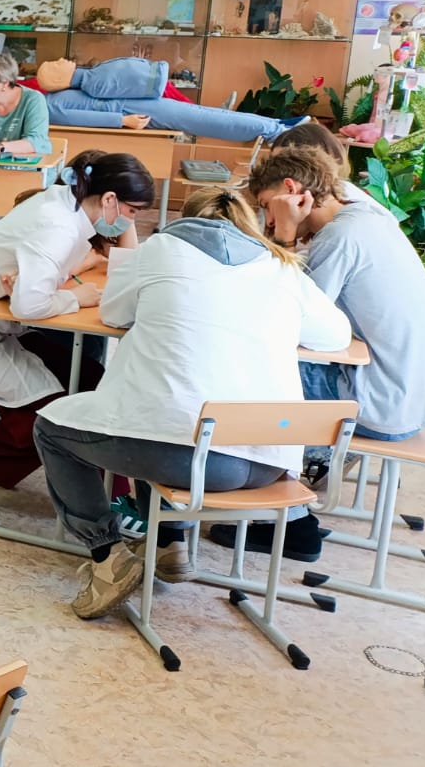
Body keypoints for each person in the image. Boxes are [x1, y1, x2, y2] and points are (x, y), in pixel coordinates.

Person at [34, 186, 351, 618]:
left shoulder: (160, 249)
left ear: (186, 218)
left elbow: (113, 313)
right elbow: (335, 334)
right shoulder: (280, 266)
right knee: (158, 409)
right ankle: (171, 543)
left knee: (60, 427)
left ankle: (107, 557)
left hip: (188, 458)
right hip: (270, 462)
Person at [215, 145, 425, 561]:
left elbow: (287, 319)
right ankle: (287, 493)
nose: (266, 220)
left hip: (383, 403)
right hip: (415, 398)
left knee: (249, 365)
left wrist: (284, 235)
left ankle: (289, 521)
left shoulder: (339, 238)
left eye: (266, 207)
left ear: (291, 190)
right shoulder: (367, 217)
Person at [0, 150, 155, 507]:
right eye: (132, 212)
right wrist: (74, 298)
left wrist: (41, 285)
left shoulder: (64, 205)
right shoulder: (57, 224)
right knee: (64, 414)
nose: (131, 221)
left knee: (93, 380)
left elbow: (39, 279)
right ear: (109, 199)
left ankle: (109, 490)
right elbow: (29, 306)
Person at [30, 57, 310, 142]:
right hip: (136, 112)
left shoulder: (62, 93)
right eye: (57, 64)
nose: (63, 60)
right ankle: (274, 130)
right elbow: (81, 118)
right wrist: (122, 121)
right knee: (203, 119)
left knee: (204, 114)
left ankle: (275, 125)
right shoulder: (50, 104)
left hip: (139, 107)